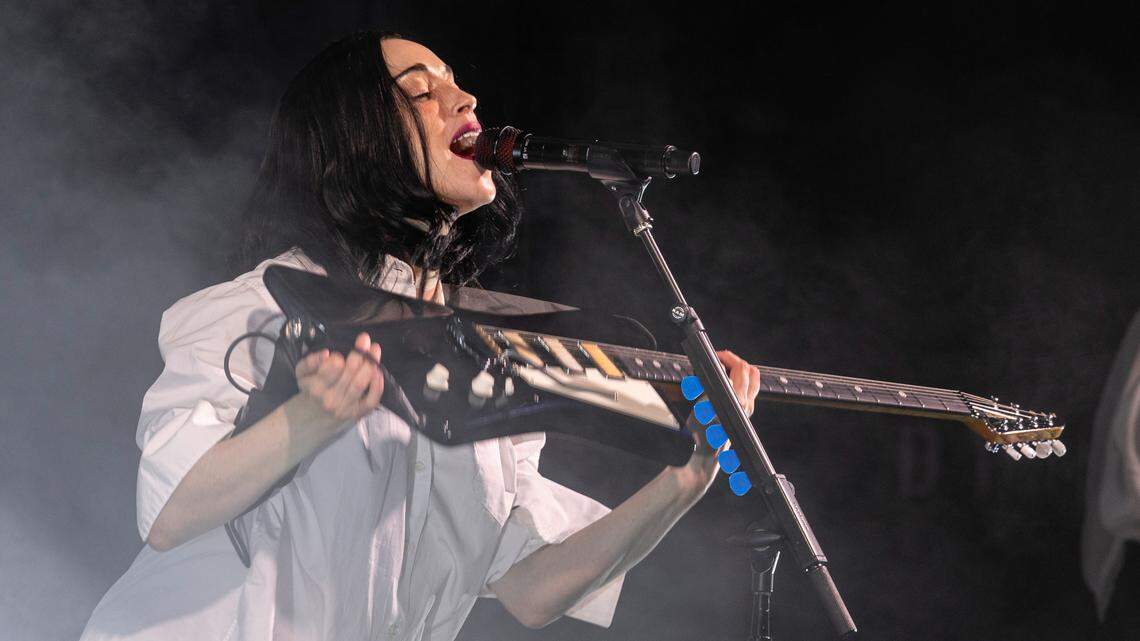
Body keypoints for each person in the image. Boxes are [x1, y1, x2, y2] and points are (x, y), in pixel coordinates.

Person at [80, 31, 761, 640]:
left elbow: (530, 588)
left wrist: (689, 472)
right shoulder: (257, 305)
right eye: (422, 90)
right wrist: (310, 417)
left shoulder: (486, 349)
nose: (465, 98)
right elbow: (167, 511)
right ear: (356, 135)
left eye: (457, 82)